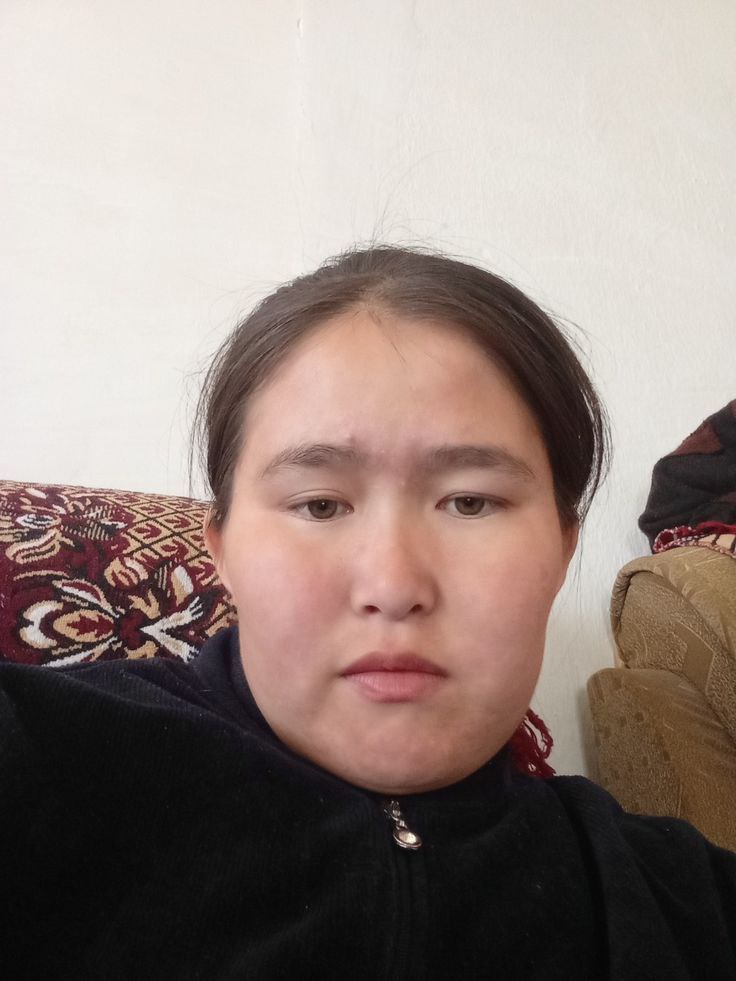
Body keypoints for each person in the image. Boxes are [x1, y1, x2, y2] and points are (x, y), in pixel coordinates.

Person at [1, 246, 734, 980]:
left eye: (469, 501)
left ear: (563, 548)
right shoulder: (45, 755)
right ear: (221, 550)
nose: (393, 584)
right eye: (320, 505)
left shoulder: (676, 898)